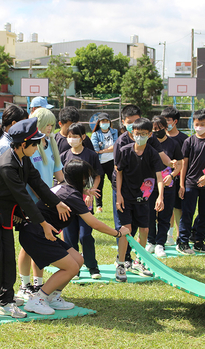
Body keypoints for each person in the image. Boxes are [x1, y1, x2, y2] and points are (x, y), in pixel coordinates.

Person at [0, 117, 71, 322]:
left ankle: (6, 301)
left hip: (5, 211)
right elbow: (23, 198)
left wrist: (56, 202)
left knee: (8, 256)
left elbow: (38, 185)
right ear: (23, 144)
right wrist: (43, 224)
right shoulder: (7, 164)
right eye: (35, 143)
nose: (38, 147)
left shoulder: (23, 159)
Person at [20, 160, 130, 315]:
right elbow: (95, 224)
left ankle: (53, 296)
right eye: (86, 177)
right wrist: (118, 233)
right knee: (71, 267)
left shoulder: (63, 186)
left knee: (78, 260)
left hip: (40, 233)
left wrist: (85, 192)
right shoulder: (72, 195)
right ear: (80, 178)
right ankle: (37, 299)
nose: (88, 180)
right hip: (36, 235)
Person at [112, 105, 172, 266]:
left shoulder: (151, 148)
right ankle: (122, 260)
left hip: (143, 195)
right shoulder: (123, 146)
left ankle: (139, 259)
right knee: (126, 228)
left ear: (149, 134)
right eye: (136, 132)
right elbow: (118, 172)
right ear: (126, 126)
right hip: (124, 191)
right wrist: (118, 195)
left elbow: (160, 171)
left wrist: (160, 196)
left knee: (143, 229)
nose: (139, 136)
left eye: (144, 134)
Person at [17, 107, 64, 301]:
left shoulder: (51, 144)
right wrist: (44, 198)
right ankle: (24, 284)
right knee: (27, 245)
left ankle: (38, 283)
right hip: (32, 203)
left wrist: (68, 192)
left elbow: (59, 174)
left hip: (48, 203)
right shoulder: (30, 147)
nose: (50, 129)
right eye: (47, 125)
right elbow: (30, 180)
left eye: (52, 125)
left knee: (42, 243)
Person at [59, 123, 103, 279]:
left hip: (85, 202)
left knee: (85, 235)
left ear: (83, 137)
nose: (72, 139)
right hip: (69, 202)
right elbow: (60, 179)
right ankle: (74, 267)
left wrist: (91, 191)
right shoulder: (63, 156)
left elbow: (97, 175)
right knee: (69, 235)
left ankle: (92, 266)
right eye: (69, 136)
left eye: (75, 136)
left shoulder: (91, 155)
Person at [177, 109, 205, 255]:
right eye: (197, 124)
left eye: (202, 124)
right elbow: (184, 164)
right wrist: (182, 184)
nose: (199, 127)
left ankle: (199, 241)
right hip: (190, 182)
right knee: (188, 213)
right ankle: (183, 241)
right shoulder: (188, 141)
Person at [146, 116, 183, 258]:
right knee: (149, 214)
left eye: (159, 128)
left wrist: (172, 175)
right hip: (150, 186)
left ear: (165, 128)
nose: (157, 131)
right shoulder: (148, 144)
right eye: (154, 129)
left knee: (165, 215)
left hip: (168, 186)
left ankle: (161, 243)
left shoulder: (173, 144)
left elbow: (178, 164)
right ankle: (151, 241)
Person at [161, 106, 188, 246]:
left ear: (175, 121)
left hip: (178, 178)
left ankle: (180, 236)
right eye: (163, 120)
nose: (165, 124)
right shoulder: (157, 138)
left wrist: (182, 184)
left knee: (178, 208)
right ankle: (167, 235)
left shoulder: (184, 139)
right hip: (162, 180)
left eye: (168, 120)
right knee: (165, 208)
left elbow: (184, 163)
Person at [90, 112, 118, 214]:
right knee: (99, 185)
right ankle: (99, 206)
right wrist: (106, 150)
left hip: (112, 161)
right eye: (102, 121)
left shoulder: (114, 132)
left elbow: (115, 146)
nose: (104, 123)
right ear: (99, 123)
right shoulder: (95, 134)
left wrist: (102, 150)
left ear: (109, 122)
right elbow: (96, 149)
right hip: (100, 162)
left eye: (106, 121)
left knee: (115, 183)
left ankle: (117, 201)